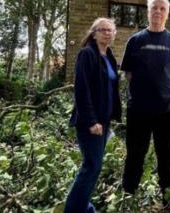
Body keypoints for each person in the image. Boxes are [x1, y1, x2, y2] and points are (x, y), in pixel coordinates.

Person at [121, 0, 170, 200]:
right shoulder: (135, 41)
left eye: (162, 9)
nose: (157, 11)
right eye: (154, 8)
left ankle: (168, 195)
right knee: (135, 154)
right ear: (148, 12)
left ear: (167, 14)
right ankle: (128, 194)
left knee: (165, 154)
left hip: (168, 109)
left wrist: (163, 90)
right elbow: (128, 72)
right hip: (139, 109)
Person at [64, 18, 121, 213]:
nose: (107, 33)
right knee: (92, 166)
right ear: (94, 33)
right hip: (91, 122)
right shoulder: (87, 53)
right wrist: (91, 121)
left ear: (114, 34)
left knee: (94, 167)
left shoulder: (109, 56)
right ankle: (74, 210)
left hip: (103, 121)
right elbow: (82, 89)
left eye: (110, 30)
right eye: (102, 30)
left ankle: (85, 208)